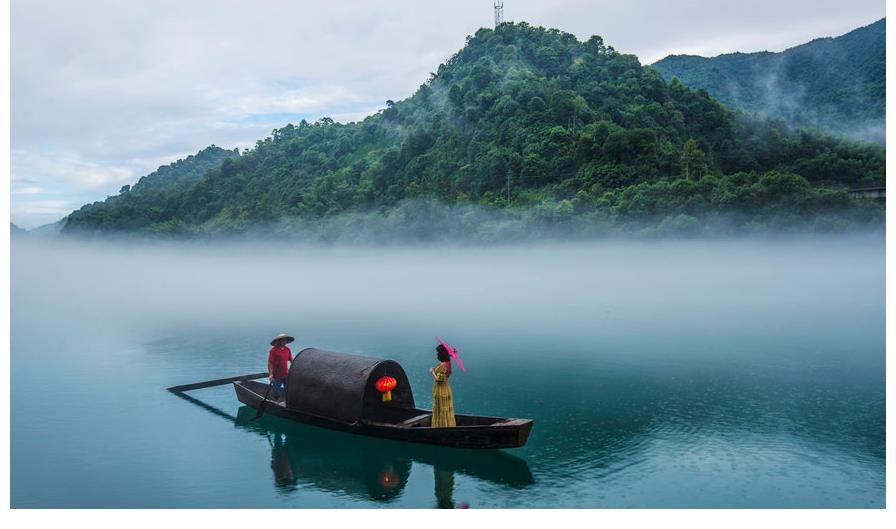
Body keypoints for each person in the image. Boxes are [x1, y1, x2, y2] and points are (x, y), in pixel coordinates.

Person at [429, 343, 456, 427]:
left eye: (438, 353)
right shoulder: (448, 363)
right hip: (446, 388)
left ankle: (440, 426)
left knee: (440, 409)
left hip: (441, 389)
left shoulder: (443, 365)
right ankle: (448, 425)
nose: (437, 354)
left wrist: (432, 372)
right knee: (446, 409)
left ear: (442, 354)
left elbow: (439, 380)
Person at [268, 333, 294, 400]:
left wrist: (296, 366)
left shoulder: (287, 349)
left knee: (288, 390)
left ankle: (287, 402)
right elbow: (270, 362)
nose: (285, 342)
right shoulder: (273, 350)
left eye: (286, 340)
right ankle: (275, 401)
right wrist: (270, 374)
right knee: (276, 392)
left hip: (286, 374)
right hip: (276, 375)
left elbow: (291, 359)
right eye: (283, 340)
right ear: (279, 341)